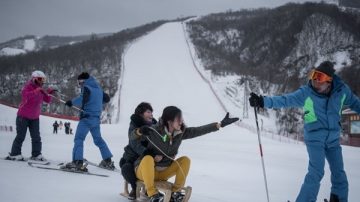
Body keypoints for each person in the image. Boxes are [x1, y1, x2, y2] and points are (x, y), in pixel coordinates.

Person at [249, 61, 360, 202]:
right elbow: (285, 100)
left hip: (333, 139)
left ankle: (339, 199)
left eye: (319, 78)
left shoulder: (341, 91)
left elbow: (356, 103)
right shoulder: (307, 93)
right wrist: (263, 101)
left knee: (339, 174)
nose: (315, 81)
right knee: (316, 172)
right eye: (314, 76)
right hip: (314, 138)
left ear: (329, 81)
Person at [131, 106, 239, 202]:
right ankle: (152, 194)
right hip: (144, 171)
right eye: (179, 119)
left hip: (163, 172)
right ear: (169, 120)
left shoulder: (180, 133)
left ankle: (175, 192)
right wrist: (139, 131)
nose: (181, 121)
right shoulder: (153, 130)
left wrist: (219, 125)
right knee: (148, 159)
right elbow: (132, 138)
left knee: (185, 160)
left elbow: (199, 130)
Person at [63, 72, 114, 171]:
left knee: (79, 139)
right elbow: (106, 99)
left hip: (86, 118)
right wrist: (96, 102)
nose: (79, 85)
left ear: (83, 80)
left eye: (79, 82)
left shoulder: (86, 87)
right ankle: (108, 161)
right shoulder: (98, 88)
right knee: (98, 140)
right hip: (96, 120)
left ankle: (77, 162)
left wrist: (71, 102)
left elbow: (82, 99)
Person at [6, 70, 55, 161]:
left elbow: (47, 100)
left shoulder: (40, 89)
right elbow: (26, 96)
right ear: (34, 78)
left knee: (36, 137)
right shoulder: (28, 86)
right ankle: (15, 154)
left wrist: (49, 93)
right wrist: (36, 91)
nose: (42, 81)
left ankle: (36, 154)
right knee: (21, 136)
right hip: (23, 116)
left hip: (35, 118)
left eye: (43, 79)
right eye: (40, 79)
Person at [120, 102, 157, 200]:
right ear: (141, 113)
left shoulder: (154, 125)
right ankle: (134, 187)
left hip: (148, 157)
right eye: (148, 112)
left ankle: (148, 189)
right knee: (126, 167)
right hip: (132, 157)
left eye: (151, 112)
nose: (151, 115)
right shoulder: (134, 124)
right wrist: (145, 152)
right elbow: (134, 143)